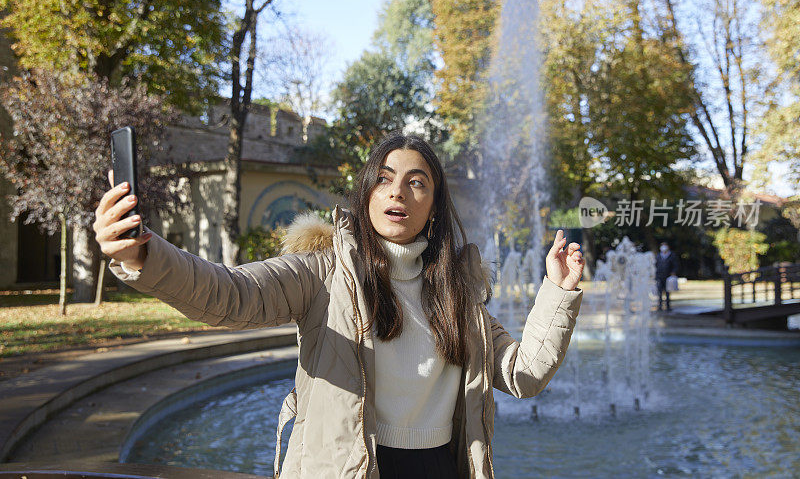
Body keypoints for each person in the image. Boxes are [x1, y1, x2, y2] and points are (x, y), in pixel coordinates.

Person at [92, 132, 585, 478]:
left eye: (417, 182)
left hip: (440, 468)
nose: (398, 191)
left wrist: (558, 294)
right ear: (366, 193)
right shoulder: (320, 273)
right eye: (385, 178)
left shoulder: (458, 290)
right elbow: (228, 295)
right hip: (348, 469)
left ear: (434, 207)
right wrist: (143, 255)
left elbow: (524, 373)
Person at [655, 242, 679, 311]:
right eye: (662, 245)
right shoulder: (658, 255)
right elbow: (655, 265)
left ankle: (668, 306)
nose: (663, 247)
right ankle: (660, 306)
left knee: (667, 291)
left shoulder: (672, 255)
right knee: (659, 292)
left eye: (665, 245)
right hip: (659, 276)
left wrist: (674, 272)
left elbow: (676, 265)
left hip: (668, 276)